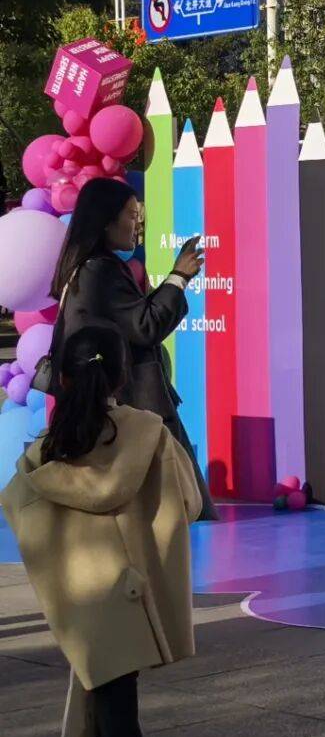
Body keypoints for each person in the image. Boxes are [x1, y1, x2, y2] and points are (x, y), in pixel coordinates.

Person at [0, 325, 202, 737]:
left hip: (85, 600)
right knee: (118, 713)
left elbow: (21, 512)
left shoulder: (46, 453)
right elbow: (189, 502)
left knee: (109, 705)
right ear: (122, 376)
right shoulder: (150, 434)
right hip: (138, 588)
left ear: (64, 378)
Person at [47, 177, 216, 520]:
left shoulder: (85, 269)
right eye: (130, 214)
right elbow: (145, 325)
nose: (136, 224)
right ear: (106, 220)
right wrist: (178, 278)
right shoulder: (100, 270)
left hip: (107, 406)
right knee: (177, 502)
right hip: (131, 405)